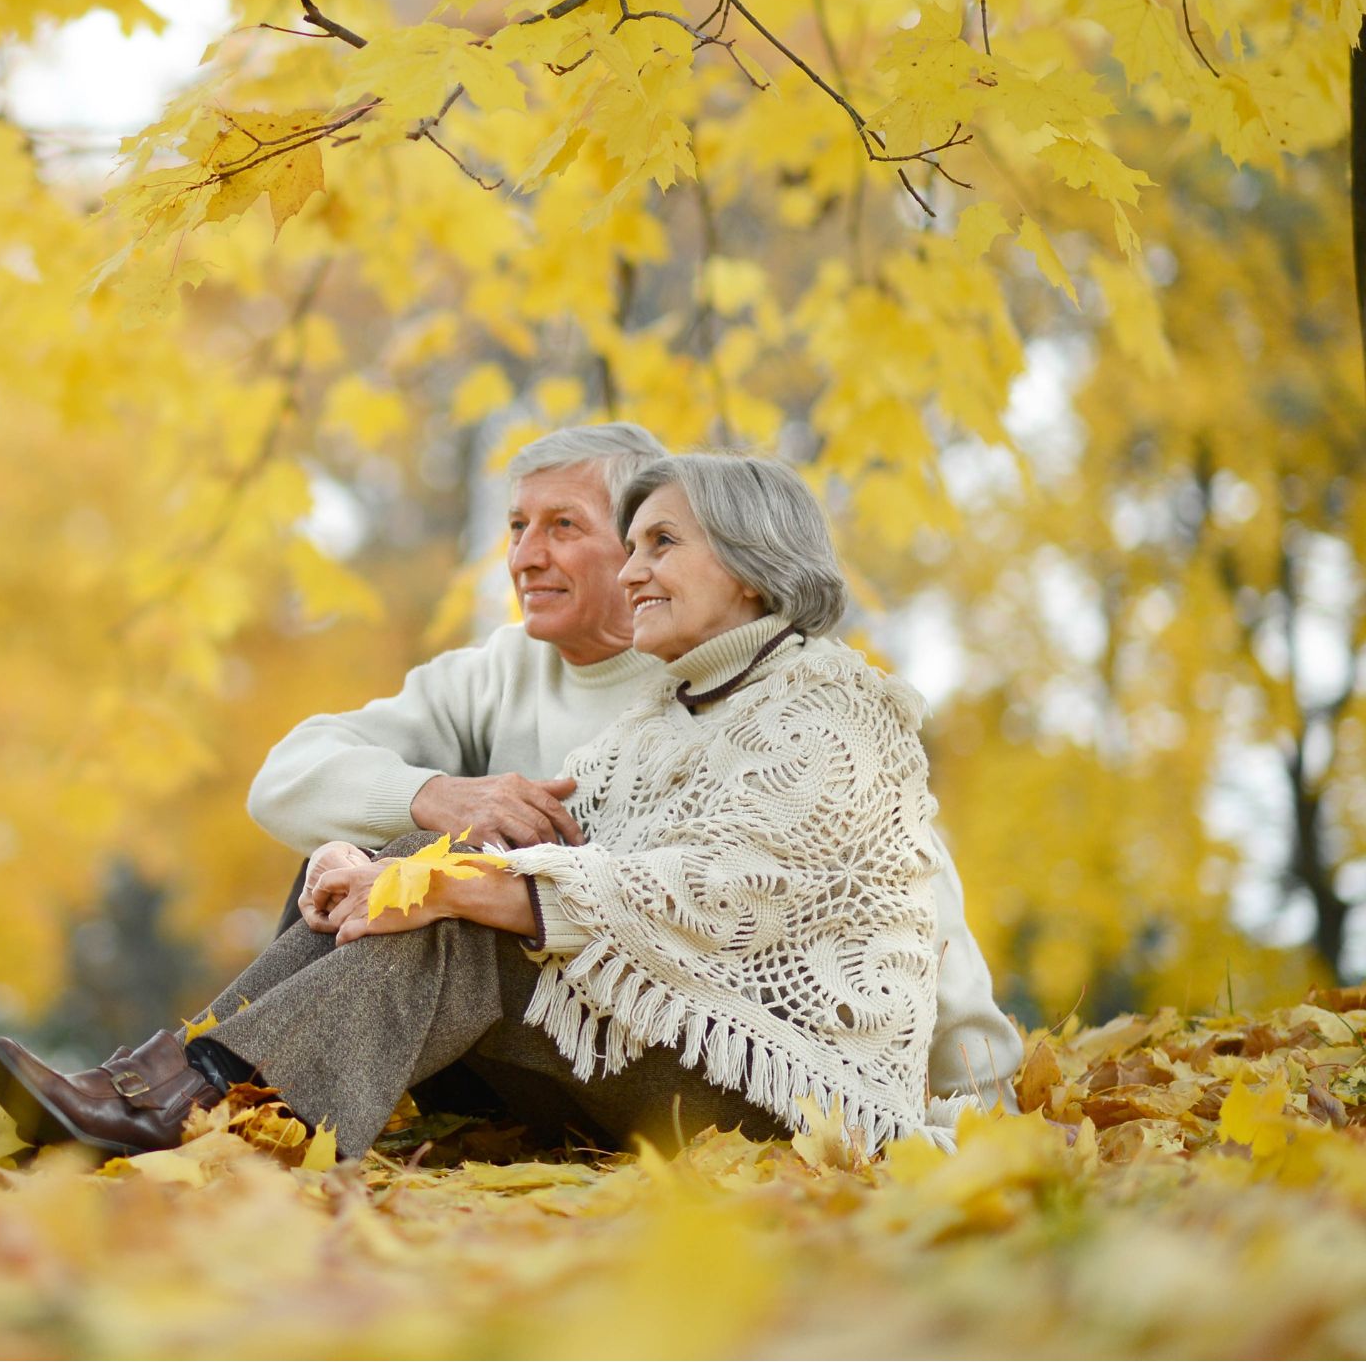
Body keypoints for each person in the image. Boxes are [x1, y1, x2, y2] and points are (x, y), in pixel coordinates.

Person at [0, 452, 978, 1160]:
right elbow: (576, 854)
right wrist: (388, 866)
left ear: (755, 572)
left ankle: (193, 1106)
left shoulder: (833, 709)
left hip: (792, 1094)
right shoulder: (664, 716)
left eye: (659, 543)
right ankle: (155, 1093)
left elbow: (716, 896)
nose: (631, 573)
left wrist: (442, 887)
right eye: (628, 546)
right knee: (432, 848)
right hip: (663, 1046)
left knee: (459, 908)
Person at [251, 424, 1021, 1109]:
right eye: (517, 526)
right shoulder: (547, 683)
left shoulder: (769, 689)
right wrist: (429, 800)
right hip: (586, 1017)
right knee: (374, 868)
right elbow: (288, 777)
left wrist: (981, 1083)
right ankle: (209, 1087)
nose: (524, 555)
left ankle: (219, 1094)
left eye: (563, 526)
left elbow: (906, 891)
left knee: (437, 895)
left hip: (731, 1053)